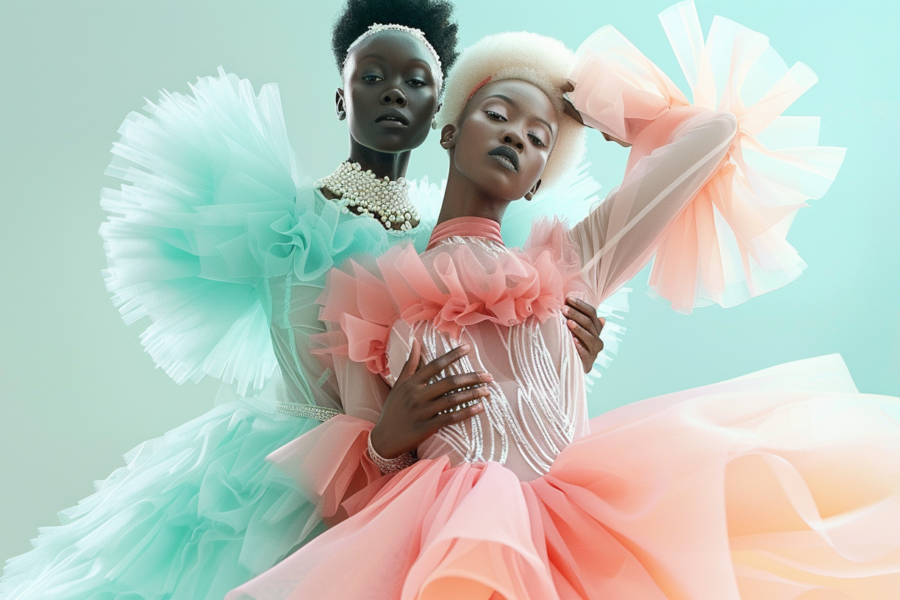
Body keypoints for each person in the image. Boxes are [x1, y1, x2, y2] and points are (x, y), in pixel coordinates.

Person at [226, 4, 900, 599]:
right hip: (441, 547)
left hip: (584, 534)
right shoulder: (370, 299)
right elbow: (354, 496)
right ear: (451, 132)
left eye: (539, 137)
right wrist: (386, 440)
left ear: (537, 181)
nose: (516, 135)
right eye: (498, 115)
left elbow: (714, 133)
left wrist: (597, 103)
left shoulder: (568, 269)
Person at [0, 1, 612, 598]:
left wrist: (558, 346)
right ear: (341, 97)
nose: (393, 93)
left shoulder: (449, 250)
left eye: (415, 81)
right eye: (371, 77)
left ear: (440, 113)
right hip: (286, 484)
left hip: (413, 491)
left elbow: (499, 366)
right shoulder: (277, 216)